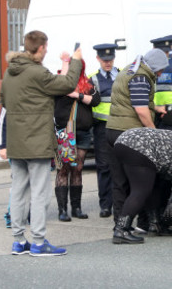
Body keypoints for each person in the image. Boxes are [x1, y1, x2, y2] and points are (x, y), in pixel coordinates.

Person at [1, 30, 82, 256]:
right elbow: (67, 84)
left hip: (16, 140)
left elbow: (4, 100)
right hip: (36, 140)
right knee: (39, 193)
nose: (47, 51)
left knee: (18, 191)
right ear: (40, 48)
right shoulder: (37, 72)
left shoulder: (10, 72)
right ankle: (38, 242)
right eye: (46, 47)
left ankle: (18, 241)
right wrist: (75, 61)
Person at [105, 49, 169, 231]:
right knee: (142, 182)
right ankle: (142, 223)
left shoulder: (128, 70)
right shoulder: (141, 77)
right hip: (129, 134)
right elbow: (140, 110)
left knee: (119, 182)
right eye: (161, 69)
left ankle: (120, 225)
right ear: (155, 66)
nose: (161, 73)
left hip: (112, 130)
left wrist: (155, 108)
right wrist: (155, 133)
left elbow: (129, 100)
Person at [112, 127, 172, 244]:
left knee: (153, 186)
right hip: (139, 146)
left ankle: (155, 224)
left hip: (123, 141)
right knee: (140, 191)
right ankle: (121, 230)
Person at [54, 58, 101, 222]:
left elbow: (96, 100)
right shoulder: (60, 81)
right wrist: (65, 66)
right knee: (63, 169)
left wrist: (77, 95)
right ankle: (62, 210)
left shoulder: (87, 83)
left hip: (83, 132)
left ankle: (76, 208)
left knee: (78, 168)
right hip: (65, 133)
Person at [88, 43, 120, 218]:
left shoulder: (122, 75)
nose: (107, 63)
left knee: (120, 167)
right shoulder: (92, 79)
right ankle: (105, 205)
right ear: (98, 59)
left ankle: (118, 202)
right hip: (101, 128)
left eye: (110, 59)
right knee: (104, 167)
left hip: (119, 125)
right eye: (104, 60)